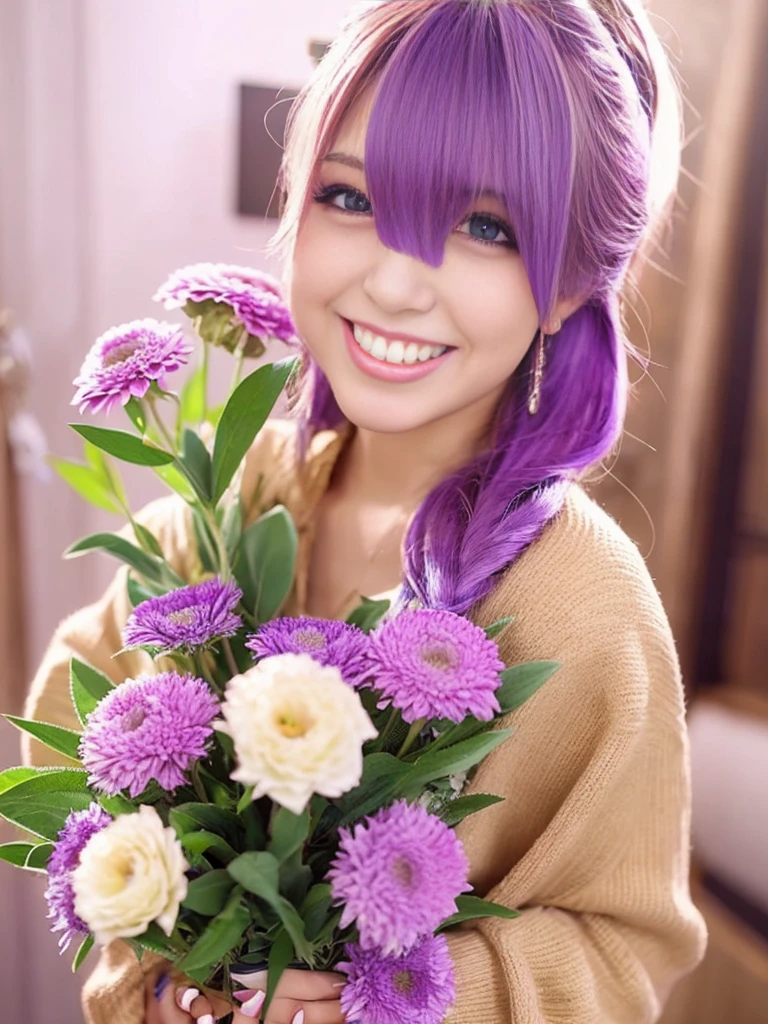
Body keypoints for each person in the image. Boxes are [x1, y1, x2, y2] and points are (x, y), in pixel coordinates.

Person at [23, 1, 708, 1022]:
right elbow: (74, 745)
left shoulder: (585, 603)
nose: (395, 282)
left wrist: (390, 999)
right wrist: (154, 972)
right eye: (351, 197)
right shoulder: (239, 497)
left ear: (568, 286)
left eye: (485, 227)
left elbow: (624, 950)